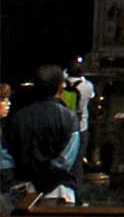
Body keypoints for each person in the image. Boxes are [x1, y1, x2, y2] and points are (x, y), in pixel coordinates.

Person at [7, 65, 85, 203]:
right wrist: (47, 180)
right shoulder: (69, 117)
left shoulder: (18, 117)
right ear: (60, 87)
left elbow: (9, 151)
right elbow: (67, 158)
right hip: (59, 190)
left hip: (23, 188)